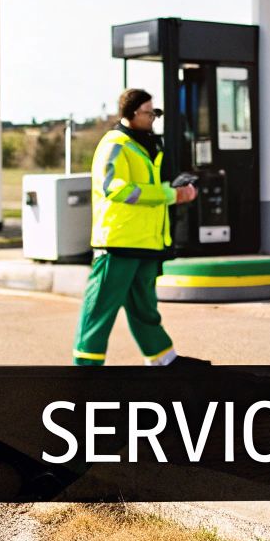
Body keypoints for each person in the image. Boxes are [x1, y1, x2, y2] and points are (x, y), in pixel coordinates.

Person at [71, 89, 205, 367]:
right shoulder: (115, 144)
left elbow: (149, 191)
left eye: (155, 112)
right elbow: (114, 188)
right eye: (149, 112)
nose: (153, 118)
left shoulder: (144, 145)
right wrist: (168, 195)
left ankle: (163, 359)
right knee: (99, 310)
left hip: (145, 243)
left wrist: (175, 192)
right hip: (118, 242)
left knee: (144, 307)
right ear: (130, 114)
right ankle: (84, 369)